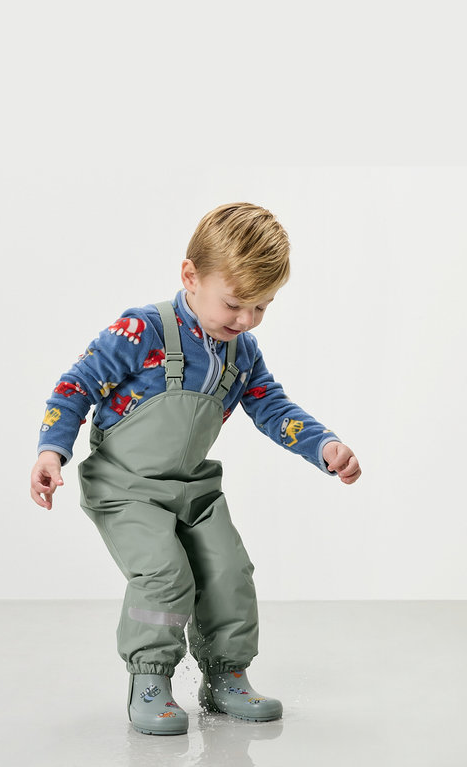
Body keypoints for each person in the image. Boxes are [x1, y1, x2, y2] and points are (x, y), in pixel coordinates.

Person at [30, 202, 361, 735]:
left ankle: (226, 674)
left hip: (193, 487)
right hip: (126, 487)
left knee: (229, 571)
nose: (246, 320)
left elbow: (272, 407)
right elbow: (76, 386)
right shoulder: (142, 330)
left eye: (261, 307)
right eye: (234, 304)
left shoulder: (242, 352)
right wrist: (52, 451)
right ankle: (152, 678)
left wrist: (323, 446)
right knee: (164, 574)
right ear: (191, 275)